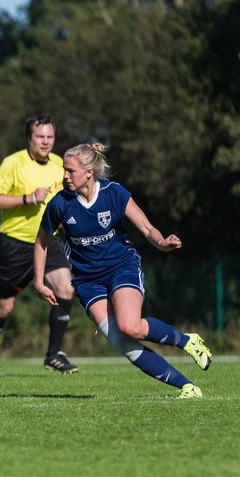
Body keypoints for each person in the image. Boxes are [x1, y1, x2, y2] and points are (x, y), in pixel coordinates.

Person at [34, 142, 212, 398]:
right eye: (64, 169)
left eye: (70, 170)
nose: (64, 175)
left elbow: (148, 229)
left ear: (88, 173)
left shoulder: (113, 193)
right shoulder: (60, 204)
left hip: (121, 267)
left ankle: (187, 341)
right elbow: (41, 242)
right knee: (123, 342)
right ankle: (187, 387)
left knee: (131, 326)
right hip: (87, 282)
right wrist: (39, 282)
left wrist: (162, 243)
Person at [0, 115, 78, 378]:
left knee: (65, 288)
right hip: (13, 244)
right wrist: (27, 197)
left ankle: (53, 354)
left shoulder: (59, 164)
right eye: (40, 136)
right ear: (29, 138)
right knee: (5, 307)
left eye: (50, 137)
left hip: (47, 240)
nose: (46, 142)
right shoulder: (12, 163)